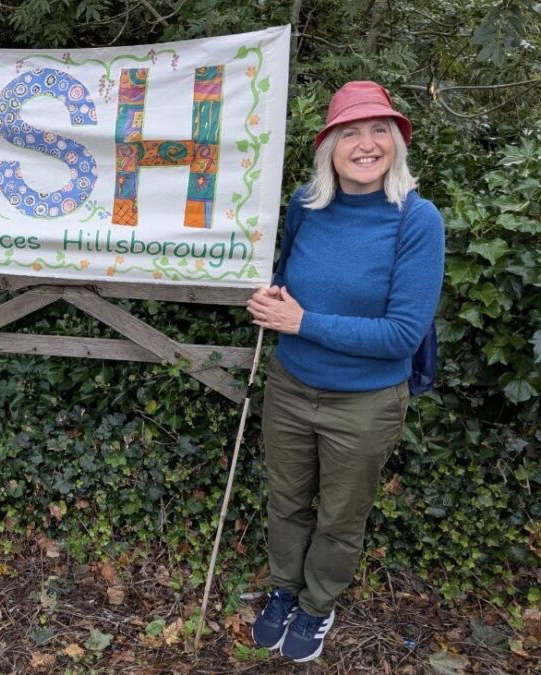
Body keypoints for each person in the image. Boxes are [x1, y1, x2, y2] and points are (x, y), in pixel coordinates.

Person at [245, 81, 444, 662]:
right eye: (350, 132)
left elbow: (403, 336)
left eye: (379, 129)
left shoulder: (417, 220)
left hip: (364, 402)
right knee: (285, 499)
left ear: (397, 141)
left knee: (339, 513)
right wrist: (267, 301)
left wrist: (303, 321)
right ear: (328, 146)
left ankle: (317, 603)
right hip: (289, 385)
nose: (366, 143)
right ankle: (283, 589)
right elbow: (280, 281)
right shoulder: (306, 205)